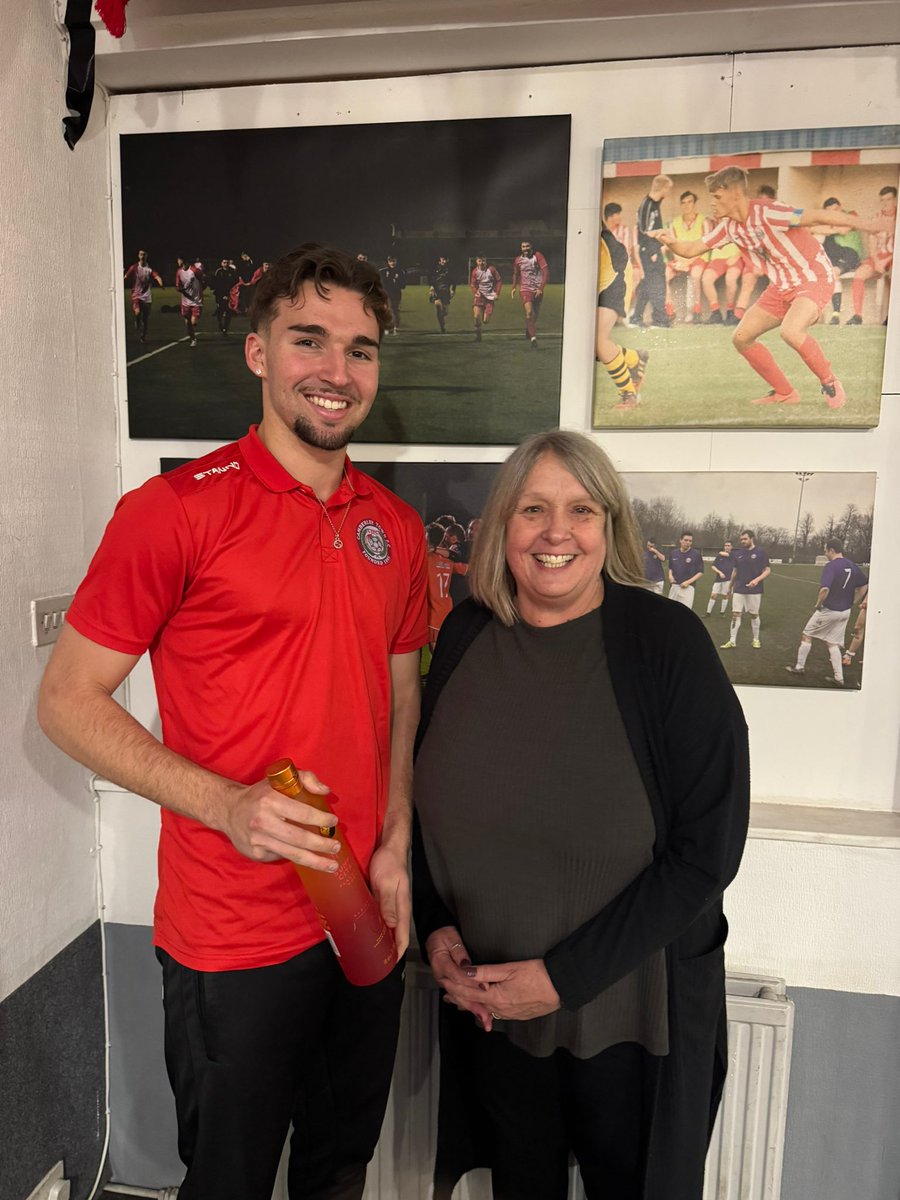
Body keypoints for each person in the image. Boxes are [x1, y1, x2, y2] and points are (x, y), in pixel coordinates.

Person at [38, 244, 428, 1200]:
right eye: (309, 340)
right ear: (257, 353)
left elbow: (402, 692)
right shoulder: (171, 512)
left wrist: (397, 845)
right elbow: (66, 702)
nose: (337, 372)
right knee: (229, 1180)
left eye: (361, 349)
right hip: (233, 934)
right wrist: (225, 804)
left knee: (339, 1170)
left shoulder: (398, 528)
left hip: (361, 911)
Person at [412, 430, 749, 1200]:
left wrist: (562, 979)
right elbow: (427, 803)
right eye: (533, 508)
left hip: (630, 1020)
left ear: (610, 528)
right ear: (502, 528)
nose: (556, 531)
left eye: (581, 509)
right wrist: (434, 926)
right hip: (497, 1014)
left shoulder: (666, 645)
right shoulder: (465, 635)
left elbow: (708, 852)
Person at [652, 165, 892, 409]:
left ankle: (829, 382)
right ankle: (785, 392)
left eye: (717, 196)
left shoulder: (770, 212)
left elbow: (817, 216)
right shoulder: (729, 227)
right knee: (742, 337)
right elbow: (692, 249)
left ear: (735, 194)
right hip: (781, 286)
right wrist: (671, 242)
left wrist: (867, 225)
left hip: (813, 277)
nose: (712, 203)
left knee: (791, 331)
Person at [786, 538, 867, 686]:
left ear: (831, 550)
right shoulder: (852, 565)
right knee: (832, 643)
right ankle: (839, 678)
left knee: (807, 635)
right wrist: (853, 601)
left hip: (830, 610)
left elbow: (824, 589)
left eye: (825, 550)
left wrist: (818, 604)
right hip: (845, 612)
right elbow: (864, 586)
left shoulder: (831, 566)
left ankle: (799, 667)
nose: (824, 553)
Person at [596, 209, 649, 411]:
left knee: (599, 340)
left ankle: (629, 395)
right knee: (591, 347)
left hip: (613, 273)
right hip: (596, 276)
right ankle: (636, 358)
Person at [847, 184, 896, 325]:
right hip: (878, 258)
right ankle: (857, 316)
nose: (885, 203)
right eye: (883, 200)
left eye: (889, 199)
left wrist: (887, 260)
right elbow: (872, 243)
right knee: (859, 274)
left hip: (894, 258)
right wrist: (877, 261)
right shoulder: (876, 217)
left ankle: (890, 317)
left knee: (892, 276)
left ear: (895, 199)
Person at [630, 174, 674, 328]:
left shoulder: (656, 202)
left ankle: (636, 317)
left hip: (654, 248)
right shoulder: (646, 205)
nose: (669, 192)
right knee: (657, 284)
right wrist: (662, 234)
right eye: (668, 189)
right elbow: (645, 230)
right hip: (648, 250)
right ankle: (660, 320)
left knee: (648, 284)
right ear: (662, 188)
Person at [664, 191, 710, 323]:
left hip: (699, 257)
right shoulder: (675, 223)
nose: (686, 205)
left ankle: (696, 311)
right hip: (680, 258)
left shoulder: (703, 220)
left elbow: (706, 245)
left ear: (694, 204)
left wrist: (689, 260)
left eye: (690, 202)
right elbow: (672, 245)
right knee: (666, 273)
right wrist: (681, 261)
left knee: (695, 275)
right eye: (683, 202)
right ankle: (669, 310)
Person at [720, 529, 770, 649]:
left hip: (755, 590)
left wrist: (756, 580)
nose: (743, 541)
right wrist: (730, 587)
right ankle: (732, 640)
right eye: (741, 539)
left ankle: (756, 639)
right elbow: (735, 571)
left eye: (745, 539)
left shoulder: (760, 552)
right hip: (739, 588)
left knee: (754, 614)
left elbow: (767, 570)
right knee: (735, 614)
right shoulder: (738, 554)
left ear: (751, 539)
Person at [818, 197, 865, 323]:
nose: (832, 214)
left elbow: (844, 230)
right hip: (838, 254)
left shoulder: (851, 214)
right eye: (829, 212)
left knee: (834, 272)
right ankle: (836, 315)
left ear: (840, 207)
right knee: (833, 273)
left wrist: (829, 227)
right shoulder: (830, 221)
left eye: (834, 210)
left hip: (851, 253)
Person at [425, 522, 469, 650]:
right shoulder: (448, 560)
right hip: (446, 608)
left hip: (433, 612)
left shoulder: (426, 558)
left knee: (435, 652)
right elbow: (467, 569)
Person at [511, 239, 549, 345]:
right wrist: (514, 287)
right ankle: (533, 339)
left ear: (531, 246)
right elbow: (515, 274)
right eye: (523, 246)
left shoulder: (538, 256)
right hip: (525, 289)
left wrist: (541, 288)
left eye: (527, 246)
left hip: (537, 290)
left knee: (535, 315)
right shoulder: (518, 260)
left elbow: (545, 272)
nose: (525, 248)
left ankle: (529, 330)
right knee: (529, 313)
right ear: (521, 248)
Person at [124, 249, 163, 343]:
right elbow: (126, 277)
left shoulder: (149, 269)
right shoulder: (134, 267)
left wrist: (160, 283)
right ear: (138, 256)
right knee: (137, 312)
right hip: (136, 295)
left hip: (147, 296)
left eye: (144, 254)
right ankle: (137, 319)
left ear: (147, 256)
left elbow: (157, 276)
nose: (142, 256)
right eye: (141, 254)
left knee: (145, 319)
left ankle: (143, 336)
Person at [667, 530, 704, 608]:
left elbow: (700, 572)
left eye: (690, 541)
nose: (688, 542)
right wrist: (670, 576)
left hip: (688, 588)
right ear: (680, 540)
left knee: (684, 613)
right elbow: (670, 568)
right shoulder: (674, 553)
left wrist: (688, 582)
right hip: (674, 586)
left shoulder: (696, 554)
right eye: (686, 540)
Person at [470, 254, 502, 341]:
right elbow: (472, 284)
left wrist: (497, 293)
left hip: (490, 297)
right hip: (479, 296)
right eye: (479, 261)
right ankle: (478, 336)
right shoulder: (474, 272)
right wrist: (476, 291)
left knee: (485, 321)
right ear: (476, 261)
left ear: (486, 261)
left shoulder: (491, 269)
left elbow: (499, 281)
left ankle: (486, 312)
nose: (481, 263)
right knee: (476, 316)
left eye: (483, 260)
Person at [176, 259, 204, 347]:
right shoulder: (179, 272)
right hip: (185, 301)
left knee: (193, 323)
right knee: (188, 322)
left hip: (196, 301)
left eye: (179, 259)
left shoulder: (195, 271)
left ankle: (193, 336)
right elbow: (177, 285)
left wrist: (201, 290)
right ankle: (193, 339)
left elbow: (204, 279)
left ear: (183, 260)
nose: (177, 261)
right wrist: (180, 289)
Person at [706, 540, 734, 615]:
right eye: (725, 545)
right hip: (718, 579)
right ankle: (708, 612)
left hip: (728, 580)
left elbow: (727, 555)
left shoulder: (733, 556)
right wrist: (719, 572)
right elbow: (713, 566)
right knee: (713, 595)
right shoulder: (719, 556)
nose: (727, 547)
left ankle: (722, 612)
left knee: (725, 596)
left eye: (728, 546)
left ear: (731, 547)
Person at [212, 257, 239, 334]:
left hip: (230, 295)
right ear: (221, 263)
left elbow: (234, 284)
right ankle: (220, 324)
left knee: (229, 311)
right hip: (220, 295)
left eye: (227, 262)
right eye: (224, 262)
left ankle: (225, 327)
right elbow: (216, 284)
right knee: (220, 311)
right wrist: (221, 295)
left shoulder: (232, 272)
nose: (225, 264)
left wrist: (230, 295)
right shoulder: (218, 272)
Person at [379, 255, 405, 335]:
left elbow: (403, 285)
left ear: (396, 262)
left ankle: (395, 327)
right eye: (390, 261)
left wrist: (397, 283)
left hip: (396, 294)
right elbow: (380, 283)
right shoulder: (383, 271)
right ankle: (387, 327)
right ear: (388, 262)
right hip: (386, 294)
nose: (392, 263)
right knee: (387, 310)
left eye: (393, 261)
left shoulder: (400, 272)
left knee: (395, 310)